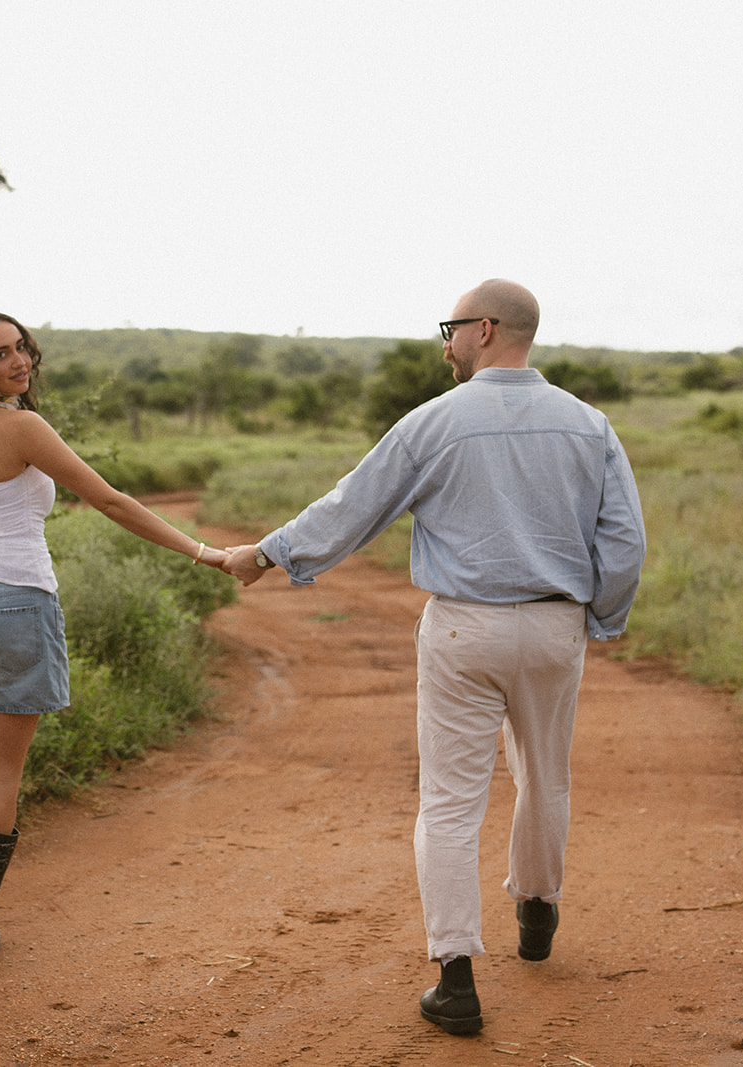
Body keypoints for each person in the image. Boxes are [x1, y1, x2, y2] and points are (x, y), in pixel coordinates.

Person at [221, 279, 646, 1035]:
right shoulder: (590, 426)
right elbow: (624, 542)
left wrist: (269, 553)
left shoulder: (434, 423)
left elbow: (354, 506)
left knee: (451, 799)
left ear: (484, 330)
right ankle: (538, 906)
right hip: (555, 627)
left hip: (461, 630)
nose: (444, 344)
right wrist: (601, 618)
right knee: (545, 774)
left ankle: (456, 979)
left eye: (449, 329)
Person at [0, 310, 228, 968]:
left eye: (22, 348)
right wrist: (202, 552)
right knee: (4, 768)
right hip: (13, 601)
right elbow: (111, 500)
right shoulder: (23, 427)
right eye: (3, 354)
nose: (20, 361)